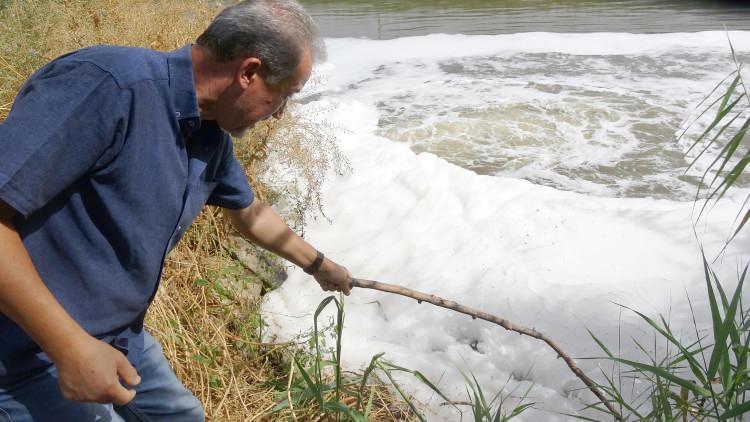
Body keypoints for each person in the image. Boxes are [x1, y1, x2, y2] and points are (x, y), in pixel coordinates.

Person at [0, 0, 351, 420]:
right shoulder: (108, 85)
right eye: (282, 97)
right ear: (249, 72)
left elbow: (249, 213)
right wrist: (69, 346)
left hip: (119, 337)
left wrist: (319, 266)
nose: (280, 116)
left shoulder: (207, 135)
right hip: (27, 353)